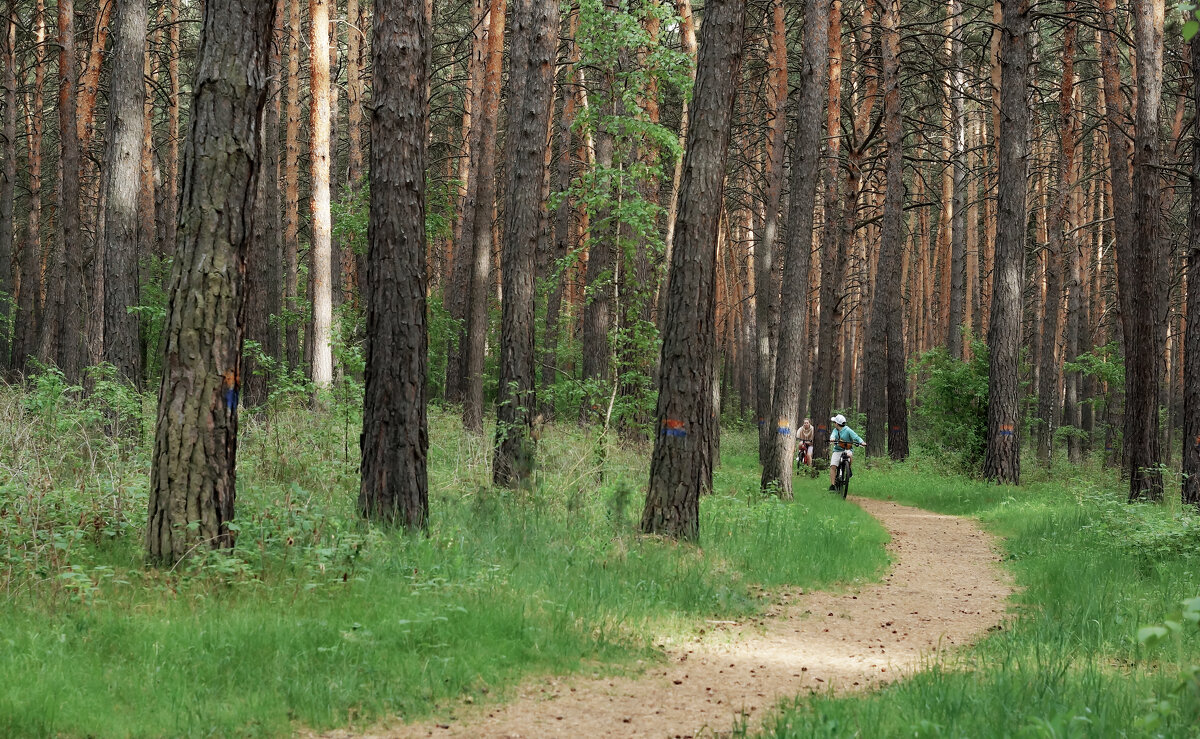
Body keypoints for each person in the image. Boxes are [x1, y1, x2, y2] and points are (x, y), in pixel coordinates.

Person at [828, 413, 865, 490]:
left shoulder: (848, 430)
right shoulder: (835, 430)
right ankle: (832, 485)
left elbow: (856, 437)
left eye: (835, 422)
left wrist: (862, 442)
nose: (834, 424)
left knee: (849, 456)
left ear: (837, 424)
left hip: (847, 449)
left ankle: (849, 469)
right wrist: (832, 439)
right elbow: (833, 435)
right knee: (833, 466)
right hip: (837, 450)